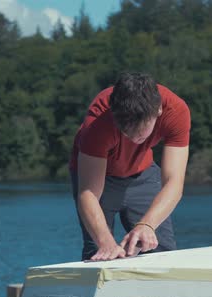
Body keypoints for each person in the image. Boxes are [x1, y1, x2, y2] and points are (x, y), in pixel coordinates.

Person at [68, 72, 190, 261]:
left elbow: (174, 183)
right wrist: (106, 242)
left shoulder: (176, 110)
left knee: (159, 249)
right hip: (99, 177)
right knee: (100, 253)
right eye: (126, 131)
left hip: (143, 174)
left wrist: (147, 225)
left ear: (158, 110)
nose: (133, 138)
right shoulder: (98, 121)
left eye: (141, 132)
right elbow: (88, 194)